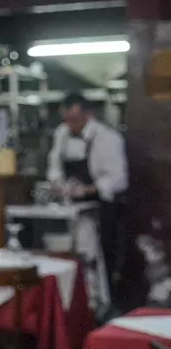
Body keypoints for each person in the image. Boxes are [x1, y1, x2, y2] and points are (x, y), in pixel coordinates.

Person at [47, 92, 128, 285]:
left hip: (103, 207)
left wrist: (87, 190)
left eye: (74, 120)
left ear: (88, 115)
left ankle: (104, 300)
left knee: (102, 257)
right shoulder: (62, 133)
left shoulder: (107, 138)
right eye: (66, 120)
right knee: (72, 255)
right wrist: (58, 184)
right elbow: (54, 165)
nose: (70, 125)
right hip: (71, 208)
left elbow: (118, 179)